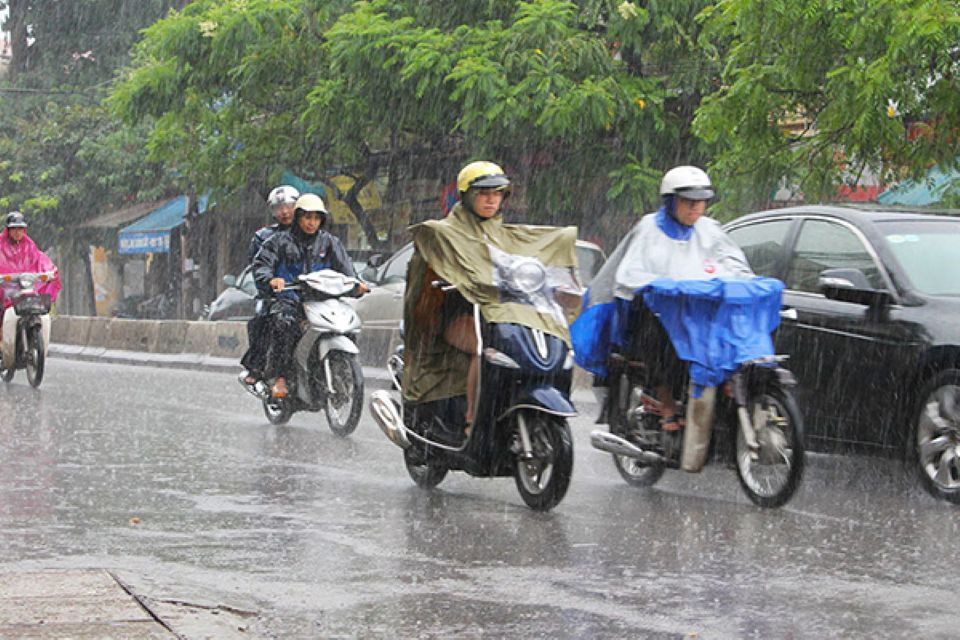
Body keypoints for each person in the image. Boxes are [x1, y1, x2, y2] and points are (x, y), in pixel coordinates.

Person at [403, 160, 580, 435]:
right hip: (459, 316)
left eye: (497, 193)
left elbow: (533, 260)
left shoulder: (508, 237)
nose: (491, 199)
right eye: (483, 193)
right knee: (480, 349)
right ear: (467, 196)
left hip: (503, 319)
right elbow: (429, 266)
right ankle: (472, 420)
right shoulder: (447, 234)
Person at [572, 166, 754, 429]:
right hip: (651, 313)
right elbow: (629, 274)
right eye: (687, 202)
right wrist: (662, 285)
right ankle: (667, 404)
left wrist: (742, 282)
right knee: (660, 338)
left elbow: (735, 265)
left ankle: (724, 383)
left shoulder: (711, 230)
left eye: (700, 202)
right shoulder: (649, 228)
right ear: (670, 201)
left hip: (696, 312)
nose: (695, 208)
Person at [252, 193, 368, 398]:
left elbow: (346, 270)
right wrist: (272, 280)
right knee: (284, 324)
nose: (311, 223)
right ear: (298, 218)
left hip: (322, 300)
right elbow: (261, 266)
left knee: (347, 325)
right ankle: (280, 377)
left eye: (316, 218)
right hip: (289, 299)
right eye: (307, 217)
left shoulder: (330, 242)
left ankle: (341, 370)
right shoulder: (277, 241)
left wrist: (357, 285)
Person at [239, 185, 300, 388]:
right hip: (276, 296)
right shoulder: (263, 237)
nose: (284, 211)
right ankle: (261, 368)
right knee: (269, 322)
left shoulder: (315, 235)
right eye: (279, 208)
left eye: (289, 206)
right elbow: (258, 267)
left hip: (308, 294)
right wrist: (271, 282)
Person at [0, 211, 62, 342]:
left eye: (20, 229)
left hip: (25, 289)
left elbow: (40, 260)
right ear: (8, 230)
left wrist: (50, 271)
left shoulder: (29, 246)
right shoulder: (1, 245)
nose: (17, 232)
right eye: (14, 229)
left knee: (37, 306)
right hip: (5, 290)